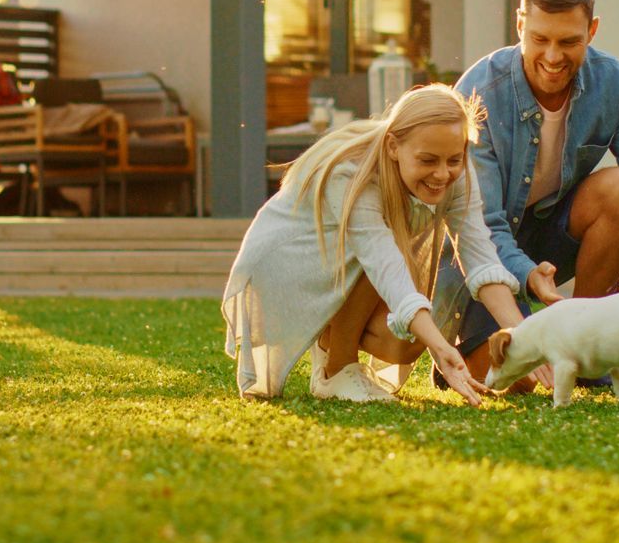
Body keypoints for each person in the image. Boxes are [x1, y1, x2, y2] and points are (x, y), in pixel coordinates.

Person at [441, 0, 619, 388]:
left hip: (554, 234)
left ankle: (587, 343)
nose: (553, 57)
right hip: (482, 253)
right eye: (540, 39)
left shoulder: (611, 82)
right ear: (519, 26)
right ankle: (481, 347)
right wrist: (527, 273)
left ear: (593, 30)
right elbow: (482, 225)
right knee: (520, 381)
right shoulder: (478, 92)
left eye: (569, 41)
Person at [221, 85, 523, 405]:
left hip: (347, 265)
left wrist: (529, 339)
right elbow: (382, 263)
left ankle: (330, 345)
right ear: (393, 146)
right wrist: (441, 348)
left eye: (454, 158)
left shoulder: (454, 172)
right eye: (428, 160)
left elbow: (481, 257)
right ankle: (336, 370)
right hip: (288, 264)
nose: (442, 173)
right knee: (388, 274)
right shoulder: (352, 172)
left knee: (403, 344)